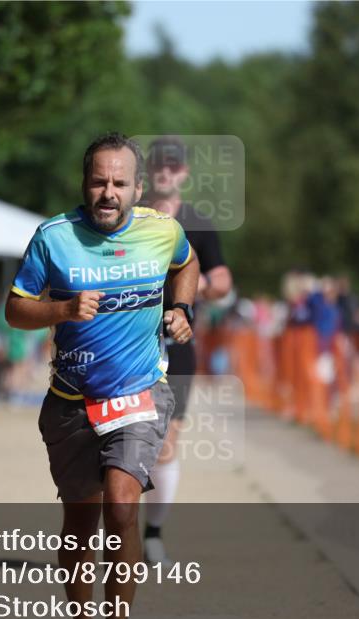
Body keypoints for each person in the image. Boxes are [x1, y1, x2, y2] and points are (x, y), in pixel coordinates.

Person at [5, 132, 199, 619]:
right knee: (80, 522)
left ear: (138, 188)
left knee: (121, 506)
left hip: (137, 393)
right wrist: (62, 311)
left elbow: (188, 264)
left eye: (119, 183)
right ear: (84, 185)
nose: (108, 192)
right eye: (98, 182)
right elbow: (15, 310)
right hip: (71, 400)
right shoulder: (53, 237)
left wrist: (183, 311)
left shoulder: (163, 231)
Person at [140, 136, 232, 567]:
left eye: (174, 166)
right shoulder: (129, 218)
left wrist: (201, 286)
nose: (166, 171)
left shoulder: (198, 222)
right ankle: (115, 528)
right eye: (160, 163)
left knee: (166, 445)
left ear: (184, 173)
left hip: (176, 347)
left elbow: (222, 278)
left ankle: (153, 531)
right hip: (126, 345)